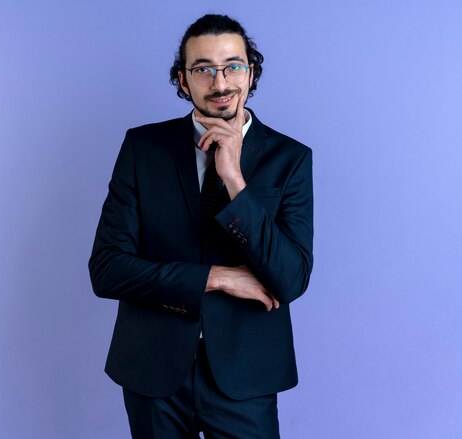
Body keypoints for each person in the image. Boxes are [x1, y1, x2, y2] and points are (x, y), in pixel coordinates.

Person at [89, 14, 313, 439]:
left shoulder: (291, 159)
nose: (221, 81)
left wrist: (235, 180)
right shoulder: (143, 149)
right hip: (153, 371)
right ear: (183, 79)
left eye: (233, 66)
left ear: (252, 72)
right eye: (203, 69)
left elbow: (291, 279)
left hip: (246, 376)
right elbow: (106, 268)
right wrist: (215, 278)